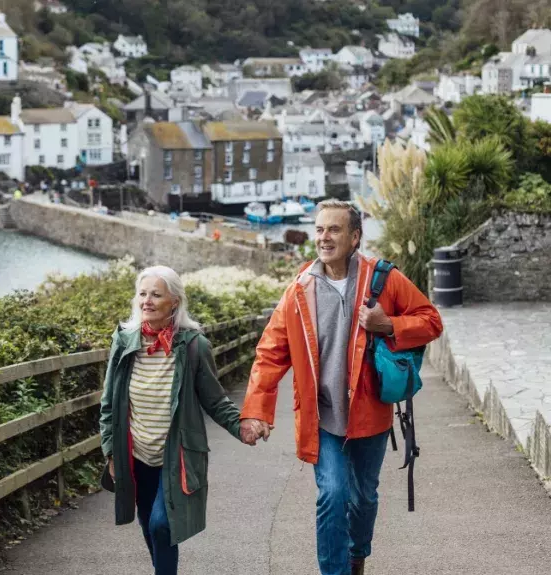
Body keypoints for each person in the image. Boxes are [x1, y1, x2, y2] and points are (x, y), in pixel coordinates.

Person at [239, 199, 443, 575]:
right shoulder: (300, 289)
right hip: (323, 417)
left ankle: (357, 555)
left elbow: (431, 321)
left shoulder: (383, 279)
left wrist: (389, 325)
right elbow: (270, 353)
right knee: (332, 495)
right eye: (319, 230)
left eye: (334, 230)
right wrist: (255, 412)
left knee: (363, 498)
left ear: (355, 237)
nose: (324, 237)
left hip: (370, 415)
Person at [99, 266, 261, 575]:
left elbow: (214, 399)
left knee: (162, 525)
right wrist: (110, 452)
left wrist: (242, 427)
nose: (146, 301)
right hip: (136, 454)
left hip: (177, 456)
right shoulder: (123, 342)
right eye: (143, 294)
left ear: (174, 302)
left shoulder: (194, 347)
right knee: (149, 522)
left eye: (156, 294)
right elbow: (108, 404)